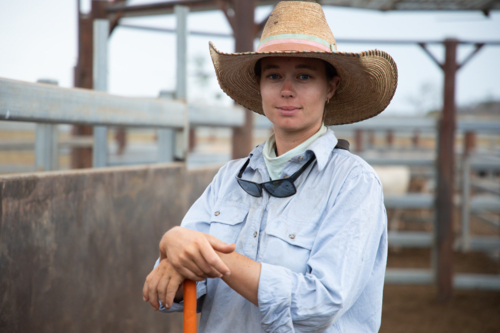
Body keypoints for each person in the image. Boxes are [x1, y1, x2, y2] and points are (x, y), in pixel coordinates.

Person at [143, 1, 398, 332]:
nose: (287, 90)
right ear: (260, 86)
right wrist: (174, 251)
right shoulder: (230, 179)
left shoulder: (353, 182)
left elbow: (319, 303)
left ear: (330, 87)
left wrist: (201, 252)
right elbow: (171, 290)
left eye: (304, 76)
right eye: (274, 75)